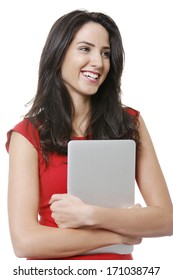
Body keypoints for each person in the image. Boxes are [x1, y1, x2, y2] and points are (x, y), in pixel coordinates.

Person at [6, 9, 173, 260]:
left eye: (105, 53)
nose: (98, 62)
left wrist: (90, 215)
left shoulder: (130, 123)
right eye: (85, 49)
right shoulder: (27, 135)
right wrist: (117, 235)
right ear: (58, 53)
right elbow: (25, 243)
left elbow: (166, 220)